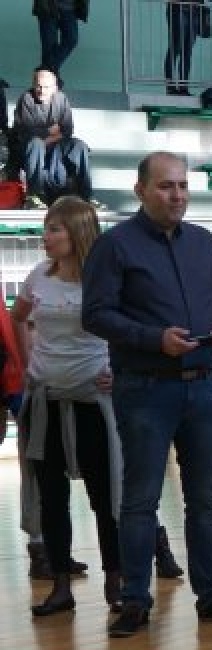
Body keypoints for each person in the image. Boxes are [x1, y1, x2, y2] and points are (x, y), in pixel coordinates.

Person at [82, 151, 212, 637]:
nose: (177, 194)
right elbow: (96, 314)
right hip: (145, 389)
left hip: (204, 388)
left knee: (205, 498)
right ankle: (136, 601)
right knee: (140, 499)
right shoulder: (114, 246)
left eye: (182, 185)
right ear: (141, 190)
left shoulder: (204, 242)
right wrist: (151, 338)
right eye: (166, 186)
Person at [14, 196, 121, 617]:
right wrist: (28, 365)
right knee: (51, 496)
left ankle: (116, 581)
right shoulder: (38, 276)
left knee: (104, 495)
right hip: (47, 401)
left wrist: (117, 367)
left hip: (92, 401)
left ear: (77, 232)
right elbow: (18, 316)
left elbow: (127, 326)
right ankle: (60, 584)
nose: (47, 237)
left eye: (55, 229)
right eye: (46, 228)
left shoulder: (102, 280)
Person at [14, 69, 94, 209]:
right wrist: (49, 131)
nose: (41, 90)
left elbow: (67, 129)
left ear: (55, 88)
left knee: (79, 146)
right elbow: (25, 131)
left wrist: (45, 137)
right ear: (34, 85)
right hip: (31, 148)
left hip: (56, 146)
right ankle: (34, 196)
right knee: (36, 144)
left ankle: (86, 197)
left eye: (46, 87)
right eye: (38, 86)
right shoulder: (26, 99)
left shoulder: (61, 99)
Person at [35, 0, 86, 79]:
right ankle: (48, 82)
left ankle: (45, 72)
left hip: (70, 9)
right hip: (48, 6)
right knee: (49, 46)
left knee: (71, 39)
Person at [163, 0, 204, 97]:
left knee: (187, 51)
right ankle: (171, 87)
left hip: (194, 10)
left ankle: (183, 87)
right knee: (175, 48)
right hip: (178, 8)